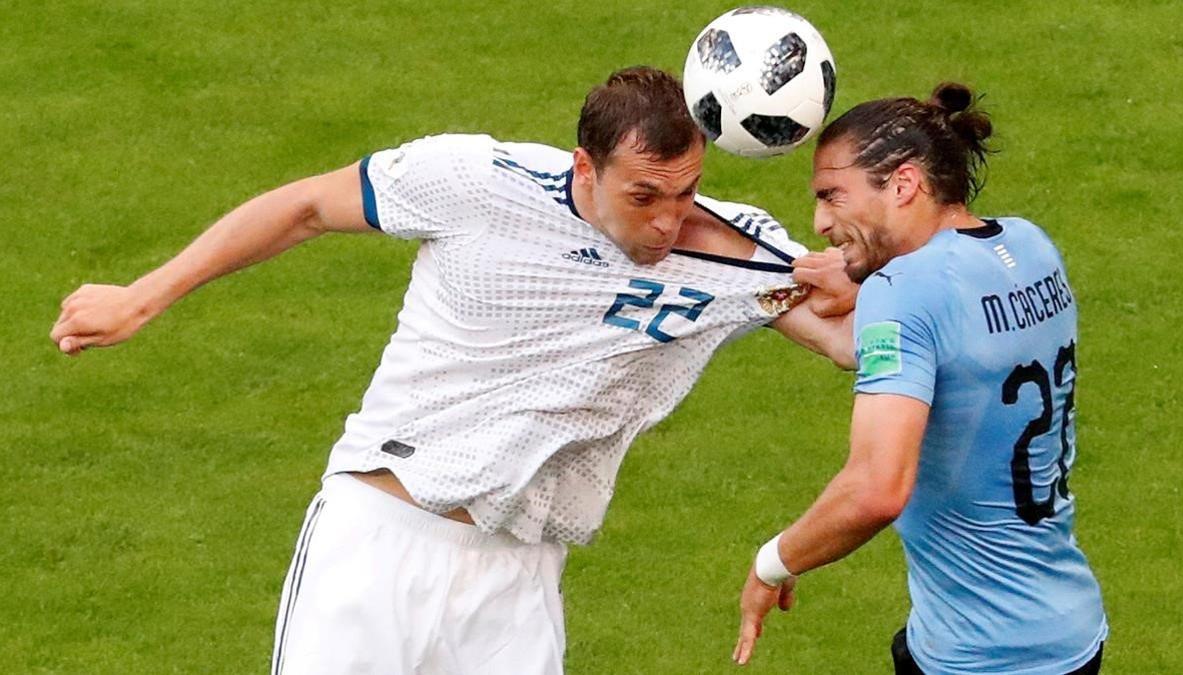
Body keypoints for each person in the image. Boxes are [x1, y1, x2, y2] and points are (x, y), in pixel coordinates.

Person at [51, 66, 855, 673]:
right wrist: (142, 296)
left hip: (520, 571)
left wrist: (861, 279)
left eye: (685, 193)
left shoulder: (747, 255)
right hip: (377, 540)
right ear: (586, 168)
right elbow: (303, 207)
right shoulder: (474, 181)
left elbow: (855, 345)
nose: (667, 218)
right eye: (644, 195)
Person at [732, 83, 1108, 674]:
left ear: (903, 184)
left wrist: (771, 564)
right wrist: (763, 293)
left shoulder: (902, 293)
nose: (821, 221)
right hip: (1068, 627)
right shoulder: (1032, 245)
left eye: (834, 196)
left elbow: (877, 489)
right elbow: (884, 342)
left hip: (981, 657)